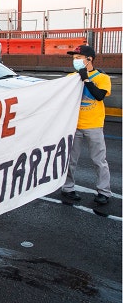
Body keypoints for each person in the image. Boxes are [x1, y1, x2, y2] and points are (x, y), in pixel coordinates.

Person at [61, 45, 112, 204]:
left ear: (89, 59)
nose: (75, 61)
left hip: (94, 125)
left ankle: (104, 192)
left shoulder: (102, 78)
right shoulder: (71, 77)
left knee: (99, 160)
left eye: (78, 58)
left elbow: (99, 96)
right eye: (74, 58)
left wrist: (86, 79)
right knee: (71, 159)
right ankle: (68, 188)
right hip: (73, 125)